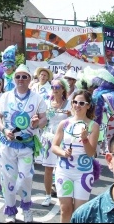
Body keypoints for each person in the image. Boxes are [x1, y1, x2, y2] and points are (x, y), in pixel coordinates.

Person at [0, 64, 47, 223]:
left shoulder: (37, 98)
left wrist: (38, 123)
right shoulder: (6, 96)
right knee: (8, 177)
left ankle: (26, 207)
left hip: (27, 145)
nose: (21, 79)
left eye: (25, 76)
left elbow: (44, 119)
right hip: (8, 144)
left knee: (25, 178)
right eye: (18, 76)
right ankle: (10, 212)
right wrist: (3, 130)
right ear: (14, 79)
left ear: (30, 79)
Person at [51, 89, 100, 223]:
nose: (77, 105)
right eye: (75, 102)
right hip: (64, 170)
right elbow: (54, 146)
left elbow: (91, 153)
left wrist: (85, 139)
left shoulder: (93, 126)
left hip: (83, 173)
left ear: (88, 105)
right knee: (65, 209)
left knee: (80, 212)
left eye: (81, 103)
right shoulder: (64, 123)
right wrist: (63, 153)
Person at [39, 78, 71, 207]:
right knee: (48, 169)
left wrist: (70, 114)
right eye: (52, 87)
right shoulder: (46, 103)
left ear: (63, 89)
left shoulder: (69, 104)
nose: (54, 89)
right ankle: (47, 195)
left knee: (61, 169)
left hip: (63, 139)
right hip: (48, 139)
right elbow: (42, 121)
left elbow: (75, 118)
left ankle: (62, 194)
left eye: (57, 87)